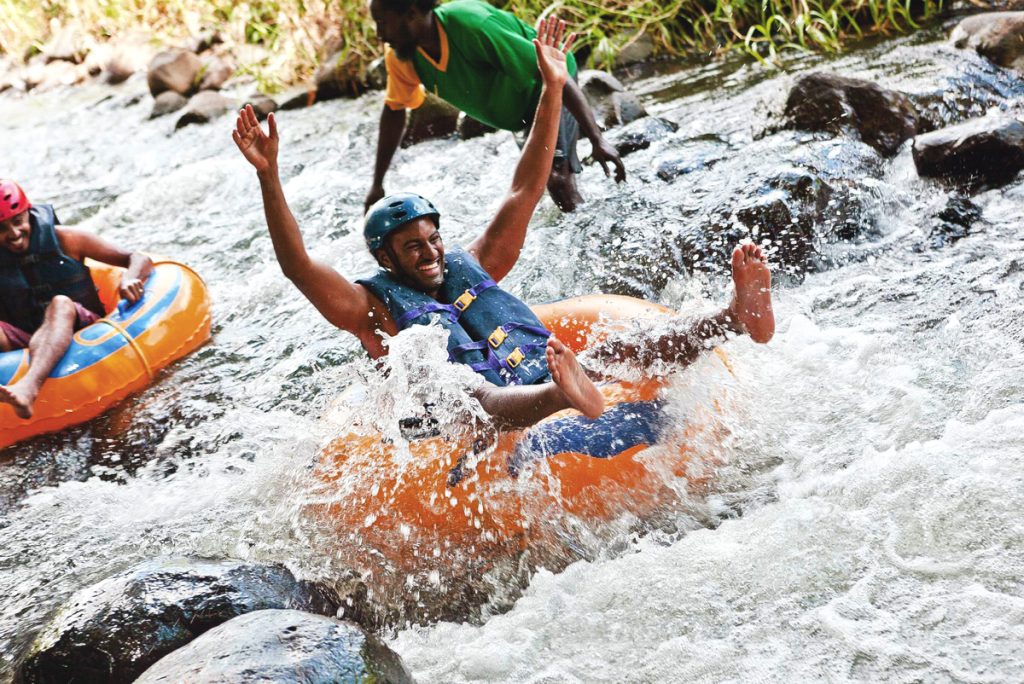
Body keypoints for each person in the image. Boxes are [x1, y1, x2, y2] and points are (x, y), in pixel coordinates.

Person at [233, 18, 774, 430]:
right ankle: (564, 396)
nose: (428, 253)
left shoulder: (474, 264)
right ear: (386, 259)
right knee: (468, 395)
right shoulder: (368, 308)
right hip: (468, 417)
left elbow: (525, 188)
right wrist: (268, 175)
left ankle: (733, 316)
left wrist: (552, 87)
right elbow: (297, 265)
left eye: (432, 239)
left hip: (534, 372)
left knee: (613, 351)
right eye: (411, 247)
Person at [365, 0, 626, 213]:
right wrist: (377, 184)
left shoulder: (470, 25)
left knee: (556, 179)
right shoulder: (403, 56)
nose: (379, 34)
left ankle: (599, 239)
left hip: (550, 86)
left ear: (411, 12)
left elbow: (554, 73)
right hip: (521, 114)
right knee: (540, 183)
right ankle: (588, 217)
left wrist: (597, 139)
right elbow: (394, 111)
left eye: (382, 22)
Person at [0, 180, 153, 419]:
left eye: (18, 221)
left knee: (60, 303)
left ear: (28, 214)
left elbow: (137, 258)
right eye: (1, 229)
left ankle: (28, 388)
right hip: (29, 336)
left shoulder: (67, 239)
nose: (14, 234)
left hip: (86, 328)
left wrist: (129, 279)